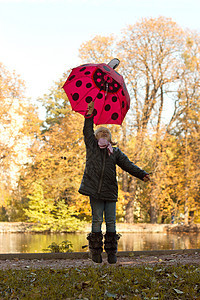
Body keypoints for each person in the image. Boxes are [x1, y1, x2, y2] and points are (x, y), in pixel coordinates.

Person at [78, 101, 150, 264]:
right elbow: (87, 130)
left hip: (110, 191)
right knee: (97, 220)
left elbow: (128, 165)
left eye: (106, 133)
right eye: (100, 133)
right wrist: (90, 114)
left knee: (111, 221)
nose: (103, 135)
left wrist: (142, 174)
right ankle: (96, 252)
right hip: (94, 190)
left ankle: (111, 253)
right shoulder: (92, 147)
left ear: (110, 138)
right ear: (96, 137)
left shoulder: (115, 152)